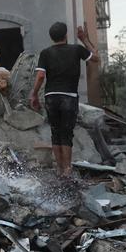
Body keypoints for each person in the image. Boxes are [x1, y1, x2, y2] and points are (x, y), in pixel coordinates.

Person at [30, 22, 98, 177]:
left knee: (55, 132)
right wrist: (84, 40)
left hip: (51, 97)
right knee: (67, 133)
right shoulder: (76, 49)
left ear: (51, 37)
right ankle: (67, 169)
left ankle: (59, 169)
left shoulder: (45, 53)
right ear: (66, 35)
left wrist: (34, 94)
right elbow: (96, 58)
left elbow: (40, 76)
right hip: (69, 97)